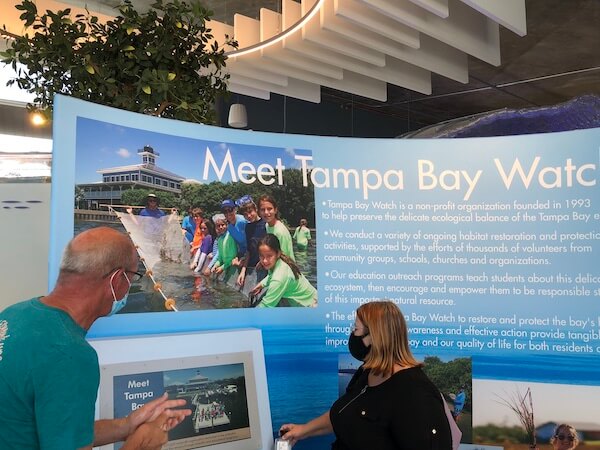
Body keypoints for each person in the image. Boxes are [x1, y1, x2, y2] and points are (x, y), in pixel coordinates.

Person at [0, 227, 191, 449]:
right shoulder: (69, 354)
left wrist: (128, 425)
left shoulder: (14, 314)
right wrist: (141, 443)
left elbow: (55, 428)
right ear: (117, 280)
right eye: (133, 277)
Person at [280, 300, 452, 449]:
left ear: (376, 337)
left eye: (356, 329)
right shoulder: (367, 373)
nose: (352, 335)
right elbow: (344, 413)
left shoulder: (415, 393)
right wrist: (303, 430)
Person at [249, 234, 316, 308]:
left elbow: (266, 306)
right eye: (261, 256)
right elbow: (271, 275)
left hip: (311, 306)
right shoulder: (279, 262)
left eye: (269, 256)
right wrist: (262, 284)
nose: (265, 261)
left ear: (278, 253)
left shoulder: (279, 277)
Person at [236, 195, 267, 287]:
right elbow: (249, 250)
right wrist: (243, 271)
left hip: (264, 265)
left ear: (256, 209)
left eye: (250, 212)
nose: (248, 216)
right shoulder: (248, 227)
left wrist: (262, 262)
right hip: (251, 265)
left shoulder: (265, 224)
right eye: (245, 214)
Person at [258, 194, 295, 261]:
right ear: (259, 212)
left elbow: (284, 257)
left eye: (269, 209)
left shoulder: (280, 232)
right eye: (263, 210)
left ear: (275, 210)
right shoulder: (267, 225)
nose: (266, 212)